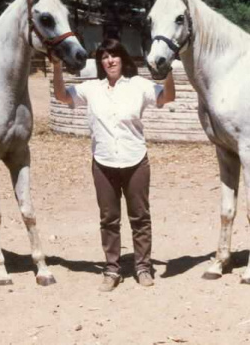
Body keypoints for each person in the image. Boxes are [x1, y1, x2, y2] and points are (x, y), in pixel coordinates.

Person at [52, 38, 175, 292]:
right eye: (105, 57)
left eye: (114, 55)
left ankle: (142, 267)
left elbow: (166, 97)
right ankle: (112, 269)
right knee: (109, 219)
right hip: (103, 162)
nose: (110, 61)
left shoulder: (138, 85)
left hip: (135, 160)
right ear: (100, 62)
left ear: (123, 59)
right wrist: (55, 68)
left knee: (140, 217)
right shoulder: (91, 89)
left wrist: (169, 70)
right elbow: (62, 95)